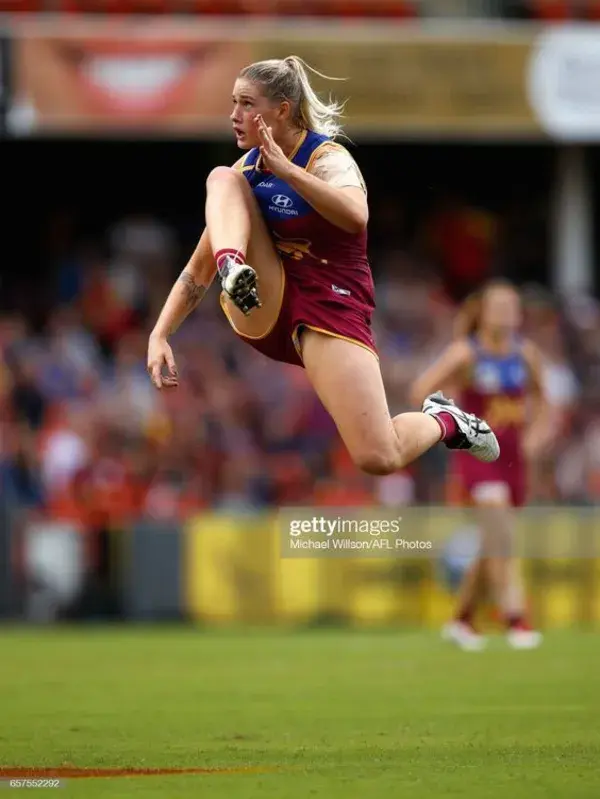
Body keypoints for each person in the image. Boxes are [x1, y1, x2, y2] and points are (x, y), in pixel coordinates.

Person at [147, 55, 499, 484]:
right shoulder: (245, 172)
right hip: (264, 299)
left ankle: (446, 421)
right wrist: (160, 332)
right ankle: (235, 267)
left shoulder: (328, 158)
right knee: (222, 178)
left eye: (246, 104)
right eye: (233, 103)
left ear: (282, 110)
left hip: (330, 308)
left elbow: (356, 217)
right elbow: (196, 270)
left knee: (378, 456)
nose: (234, 116)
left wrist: (287, 171)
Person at [411, 279, 552, 650]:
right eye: (499, 306)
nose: (506, 313)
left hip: (514, 460)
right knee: (501, 531)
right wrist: (455, 425)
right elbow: (421, 390)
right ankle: (516, 619)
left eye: (512, 306)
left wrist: (535, 436)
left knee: (493, 537)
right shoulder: (465, 354)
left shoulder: (526, 354)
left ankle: (462, 619)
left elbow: (544, 401)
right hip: (479, 456)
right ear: (484, 313)